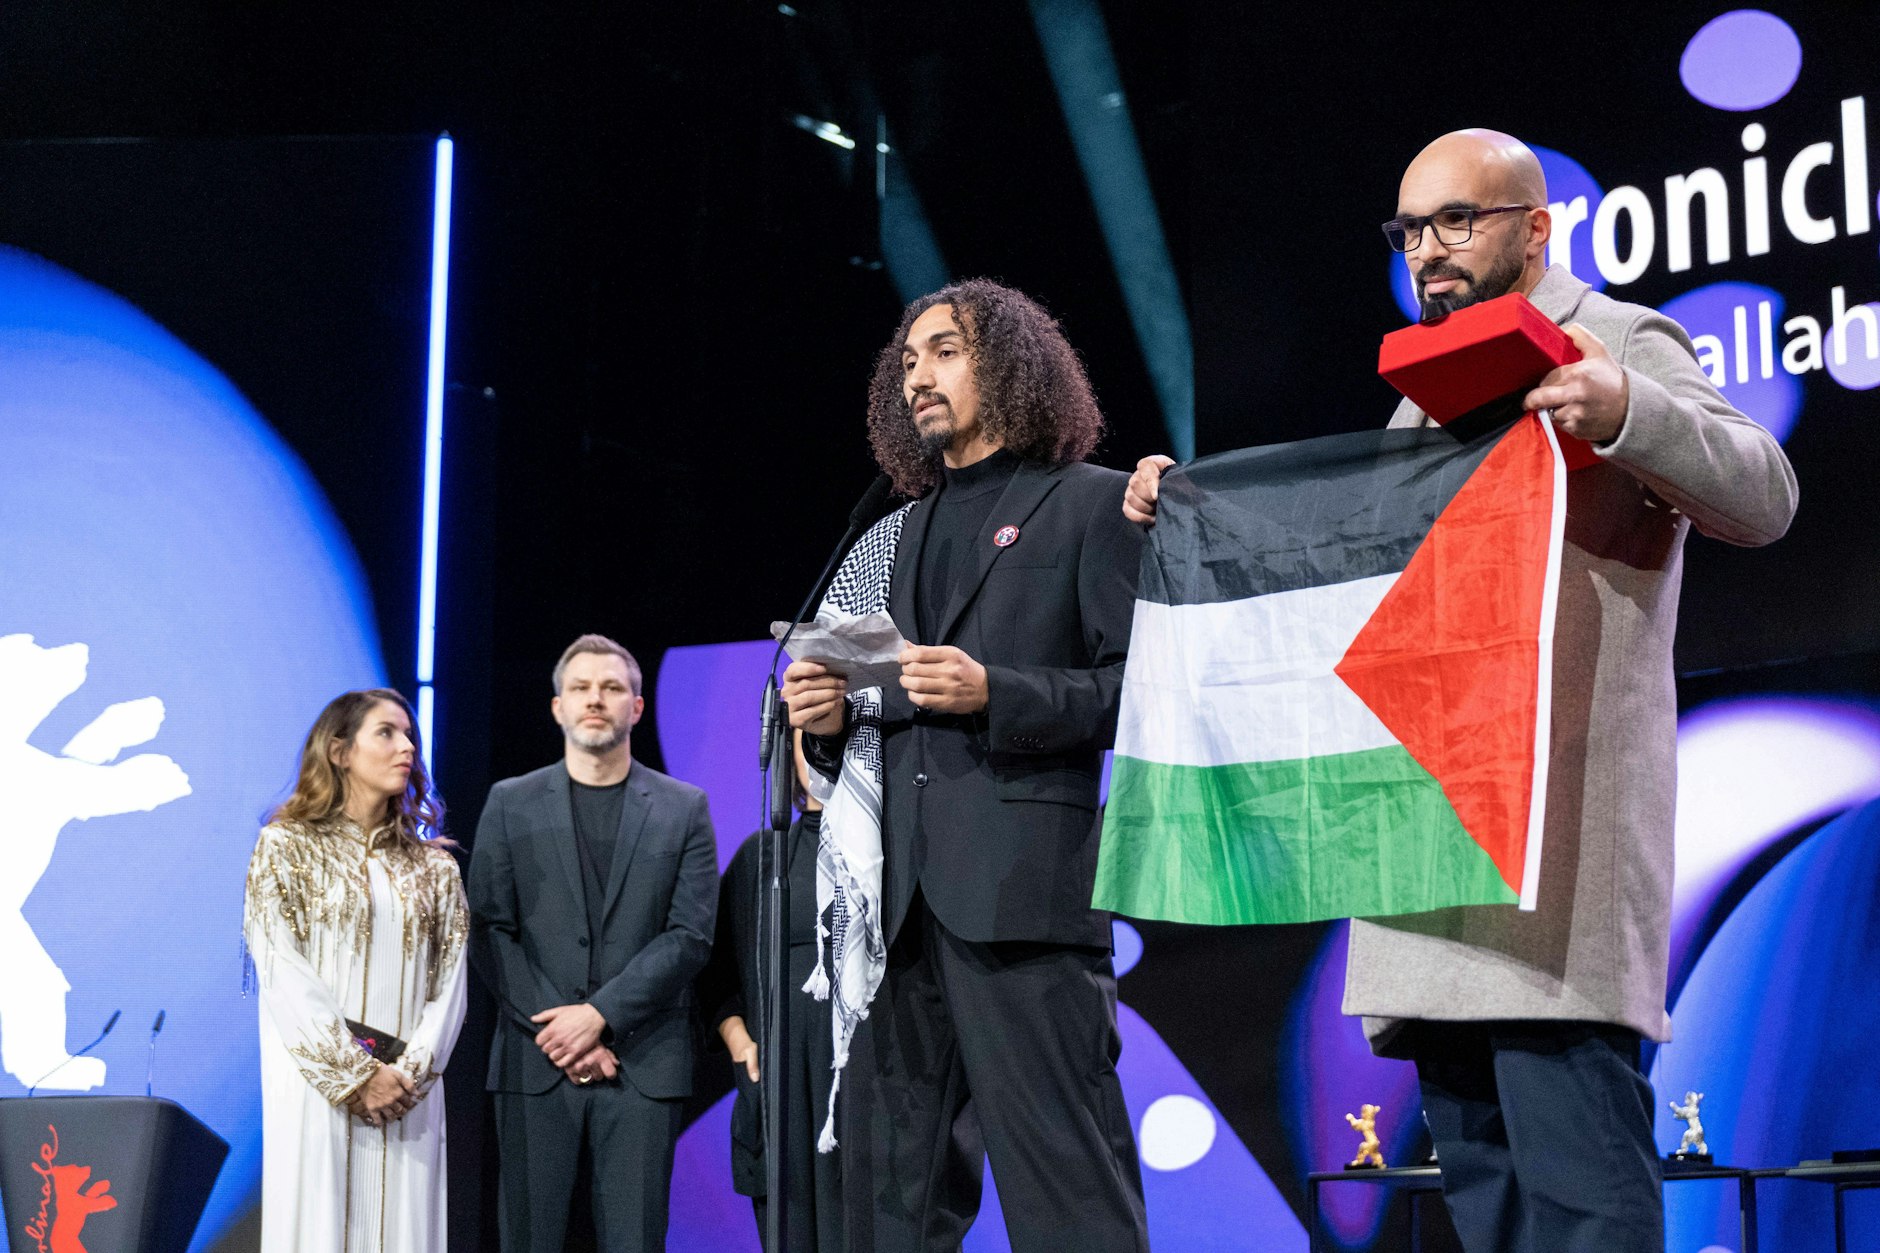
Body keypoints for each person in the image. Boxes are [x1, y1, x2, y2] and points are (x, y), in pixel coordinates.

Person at [1122, 130, 1798, 1253]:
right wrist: (1194, 504)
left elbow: (1763, 492)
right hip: (1426, 845)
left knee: (1581, 1189)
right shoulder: (1419, 399)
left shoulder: (1616, 336)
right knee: (1483, 1200)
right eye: (1408, 231)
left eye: (1454, 221)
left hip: (1550, 847)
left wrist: (1624, 407)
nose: (1425, 252)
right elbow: (1349, 575)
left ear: (1534, 228)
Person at [781, 278, 1150, 1252]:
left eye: (943, 351)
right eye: (905, 361)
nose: (917, 377)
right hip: (900, 907)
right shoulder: (899, 529)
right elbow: (896, 702)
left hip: (1022, 896)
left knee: (1069, 1188)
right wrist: (828, 720)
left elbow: (1137, 693)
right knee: (891, 1205)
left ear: (1012, 365)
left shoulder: (1092, 504)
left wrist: (1000, 691)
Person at [468, 633, 718, 1252]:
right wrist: (563, 1032)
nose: (595, 699)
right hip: (536, 1063)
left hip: (642, 1061)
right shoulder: (510, 802)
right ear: (558, 707)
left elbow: (690, 936)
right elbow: (489, 930)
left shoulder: (684, 808)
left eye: (612, 688)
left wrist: (600, 1017)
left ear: (637, 706)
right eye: (580, 688)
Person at [243, 688, 468, 1253]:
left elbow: (452, 987)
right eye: (387, 733)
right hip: (318, 1091)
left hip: (408, 1097)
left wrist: (407, 1076)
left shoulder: (435, 868)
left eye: (410, 736)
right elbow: (280, 969)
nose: (407, 748)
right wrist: (356, 1076)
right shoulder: (285, 847)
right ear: (340, 752)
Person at [696, 732, 843, 1250]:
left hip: (869, 1105)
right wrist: (740, 1043)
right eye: (809, 740)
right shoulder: (759, 862)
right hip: (779, 1106)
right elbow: (715, 982)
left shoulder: (894, 852)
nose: (822, 752)